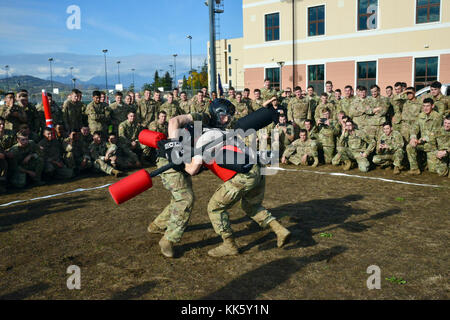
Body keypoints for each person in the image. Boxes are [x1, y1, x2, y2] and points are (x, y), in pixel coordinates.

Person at [154, 99, 291, 258]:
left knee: (213, 207)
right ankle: (280, 230)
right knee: (185, 198)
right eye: (224, 116)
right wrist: (174, 148)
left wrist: (183, 162)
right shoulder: (211, 126)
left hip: (242, 173)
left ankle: (229, 245)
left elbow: (192, 169)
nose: (227, 120)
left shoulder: (209, 136)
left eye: (228, 117)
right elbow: (174, 121)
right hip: (256, 169)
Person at [406, 98, 443, 175]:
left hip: (433, 146)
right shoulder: (420, 115)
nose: (425, 108)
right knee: (409, 146)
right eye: (424, 106)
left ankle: (427, 163)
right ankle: (414, 169)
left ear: (432, 106)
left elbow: (435, 133)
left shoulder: (437, 117)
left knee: (434, 170)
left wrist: (423, 139)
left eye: (428, 106)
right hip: (422, 143)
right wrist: (413, 137)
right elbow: (414, 128)